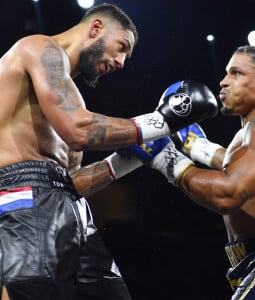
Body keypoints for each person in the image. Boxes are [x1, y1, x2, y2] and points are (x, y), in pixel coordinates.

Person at [0, 2, 219, 300]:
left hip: (70, 207)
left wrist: (128, 158)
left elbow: (73, 183)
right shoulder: (39, 48)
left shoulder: (68, 96)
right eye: (121, 47)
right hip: (23, 196)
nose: (121, 62)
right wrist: (163, 120)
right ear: (96, 28)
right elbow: (81, 131)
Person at [123, 45, 255, 299]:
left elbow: (227, 195)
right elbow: (240, 167)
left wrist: (167, 159)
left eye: (236, 73)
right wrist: (196, 146)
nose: (223, 81)